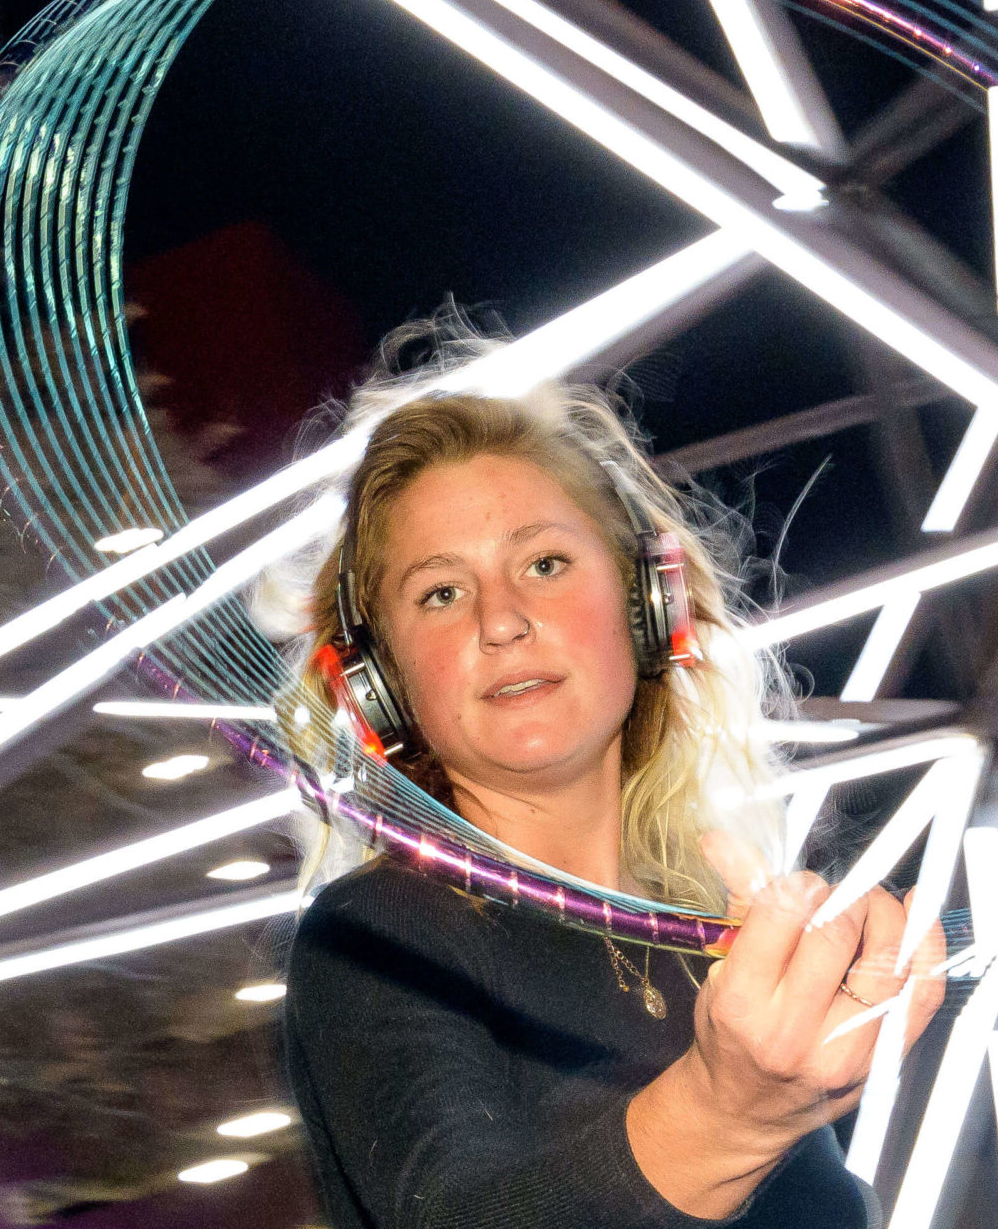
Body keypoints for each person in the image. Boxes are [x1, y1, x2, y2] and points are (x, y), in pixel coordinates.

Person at [269, 365, 945, 1228]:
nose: (501, 621)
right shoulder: (379, 935)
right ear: (379, 682)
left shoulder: (715, 943)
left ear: (648, 605)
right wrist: (726, 1117)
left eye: (545, 563)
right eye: (441, 593)